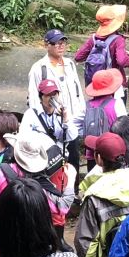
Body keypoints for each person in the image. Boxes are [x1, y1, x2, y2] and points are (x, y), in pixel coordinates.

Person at [0, 130, 75, 233]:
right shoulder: (40, 185)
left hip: (5, 232)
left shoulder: (0, 172)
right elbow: (62, 207)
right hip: (31, 236)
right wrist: (71, 179)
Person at [27, 29, 86, 161]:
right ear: (46, 45)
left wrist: (82, 111)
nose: (60, 46)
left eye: (63, 42)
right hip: (52, 123)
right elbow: (33, 98)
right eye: (56, 43)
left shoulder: (70, 64)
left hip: (73, 119)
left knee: (73, 158)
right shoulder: (39, 68)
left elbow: (78, 92)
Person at [74, 5, 129, 95]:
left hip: (98, 86)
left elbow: (78, 57)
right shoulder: (118, 40)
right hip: (115, 85)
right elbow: (121, 61)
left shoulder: (94, 39)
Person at [78, 68, 126, 158]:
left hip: (93, 152)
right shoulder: (117, 103)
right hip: (113, 152)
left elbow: (75, 124)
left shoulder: (86, 106)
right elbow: (125, 127)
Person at [21, 79, 74, 150]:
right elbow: (24, 138)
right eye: (48, 95)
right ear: (40, 97)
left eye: (54, 94)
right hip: (40, 155)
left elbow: (71, 137)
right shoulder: (31, 114)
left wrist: (65, 121)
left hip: (58, 155)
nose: (52, 98)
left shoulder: (63, 112)